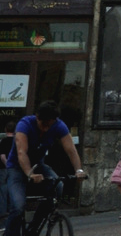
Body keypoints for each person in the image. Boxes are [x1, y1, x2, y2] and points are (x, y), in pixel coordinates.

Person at [4, 100, 86, 236]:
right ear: (37, 117)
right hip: (16, 168)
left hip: (38, 165)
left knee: (58, 186)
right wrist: (30, 174)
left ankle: (33, 228)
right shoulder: (24, 124)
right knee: (18, 207)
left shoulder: (59, 126)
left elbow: (71, 150)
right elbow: (21, 153)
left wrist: (79, 170)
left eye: (50, 125)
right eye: (43, 124)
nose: (46, 129)